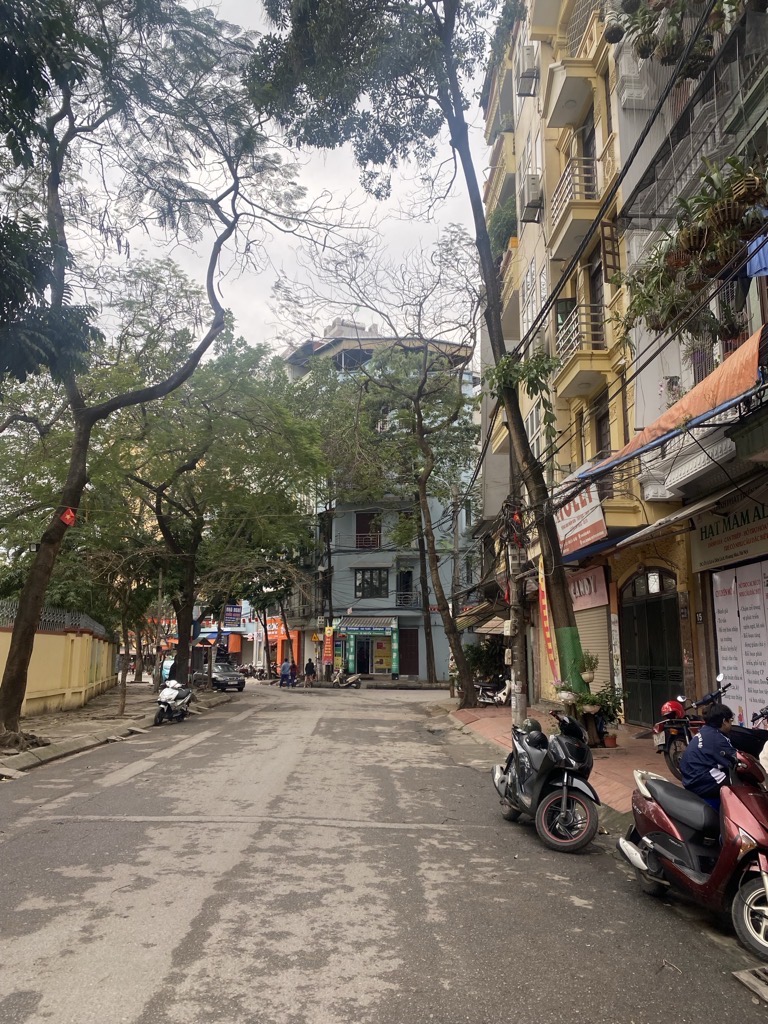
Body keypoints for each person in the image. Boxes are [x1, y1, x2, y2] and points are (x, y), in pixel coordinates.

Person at [679, 703, 737, 810]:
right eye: (731, 720)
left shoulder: (705, 731)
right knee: (740, 783)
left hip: (691, 779)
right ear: (724, 721)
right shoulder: (717, 739)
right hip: (703, 782)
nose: (731, 724)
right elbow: (736, 760)